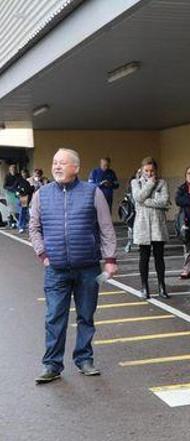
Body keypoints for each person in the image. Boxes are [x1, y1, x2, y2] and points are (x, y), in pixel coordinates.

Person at [29, 148, 118, 383]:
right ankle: (51, 364)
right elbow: (34, 228)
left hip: (88, 268)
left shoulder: (93, 192)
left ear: (75, 168)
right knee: (54, 318)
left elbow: (106, 228)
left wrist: (110, 259)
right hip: (55, 269)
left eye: (62, 163)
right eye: (54, 162)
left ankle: (84, 359)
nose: (57, 166)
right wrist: (43, 253)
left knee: (86, 316)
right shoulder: (42, 194)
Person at [131, 157, 171, 299]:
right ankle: (144, 287)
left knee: (159, 257)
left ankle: (162, 286)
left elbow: (164, 201)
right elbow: (137, 197)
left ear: (156, 170)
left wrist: (145, 202)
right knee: (144, 257)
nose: (149, 173)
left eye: (152, 170)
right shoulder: (135, 182)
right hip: (142, 225)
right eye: (146, 170)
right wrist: (149, 184)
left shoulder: (162, 183)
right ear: (141, 170)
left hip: (157, 224)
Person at [3, 162, 22, 229]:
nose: (14, 171)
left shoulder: (18, 175)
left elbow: (21, 182)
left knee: (18, 207)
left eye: (15, 169)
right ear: (10, 170)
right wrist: (12, 188)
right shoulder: (7, 176)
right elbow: (4, 186)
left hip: (16, 192)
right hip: (9, 193)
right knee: (11, 208)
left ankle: (18, 222)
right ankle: (11, 222)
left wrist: (19, 189)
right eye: (12, 169)